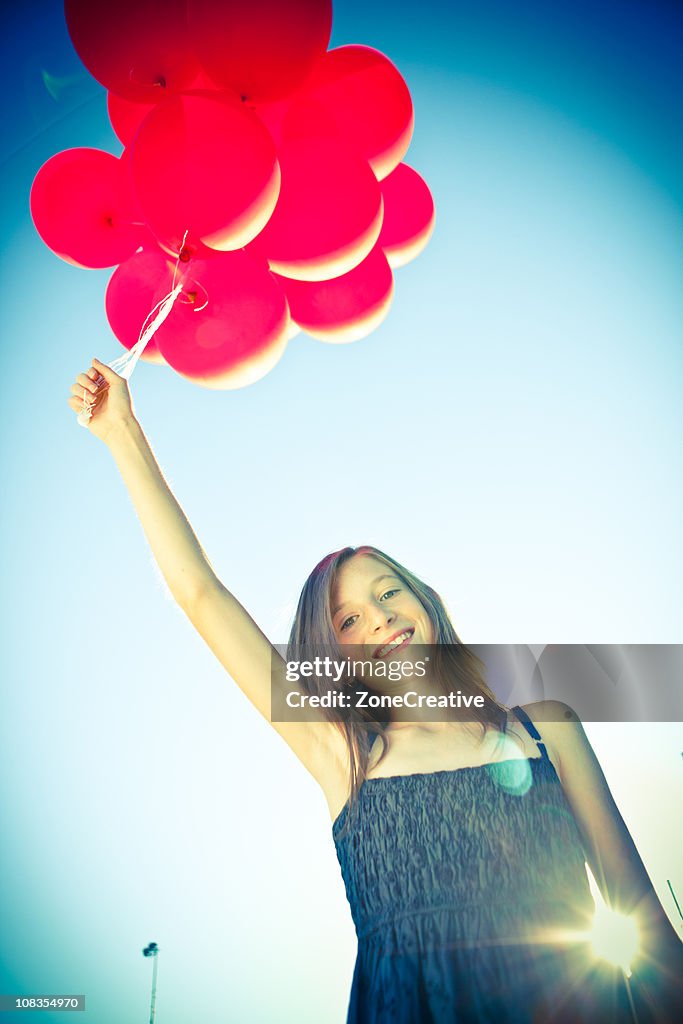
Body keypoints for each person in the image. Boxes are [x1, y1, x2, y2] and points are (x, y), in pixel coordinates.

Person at [68, 359, 682, 1023]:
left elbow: (639, 913)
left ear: (426, 602)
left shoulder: (545, 727)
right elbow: (200, 594)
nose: (381, 619)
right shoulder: (343, 755)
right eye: (349, 621)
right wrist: (121, 432)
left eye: (390, 592)